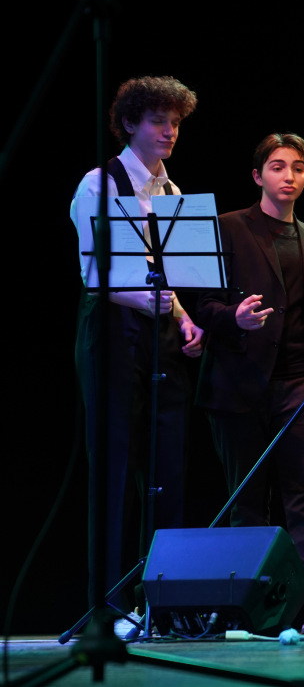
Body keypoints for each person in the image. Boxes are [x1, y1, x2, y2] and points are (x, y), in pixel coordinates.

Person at [71, 76, 204, 619]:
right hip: (112, 330)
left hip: (159, 333)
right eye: (158, 121)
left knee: (166, 467)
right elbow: (92, 273)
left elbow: (171, 276)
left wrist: (186, 319)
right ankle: (109, 604)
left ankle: (163, 602)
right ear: (129, 123)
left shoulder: (173, 193)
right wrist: (144, 302)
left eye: (175, 122)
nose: (169, 131)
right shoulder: (99, 184)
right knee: (116, 467)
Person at [195, 133, 304, 636]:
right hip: (238, 382)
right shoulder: (228, 228)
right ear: (258, 175)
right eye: (278, 167)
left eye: (298, 168)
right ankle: (249, 603)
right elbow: (201, 304)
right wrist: (234, 317)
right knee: (246, 497)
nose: (290, 176)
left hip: (300, 384)